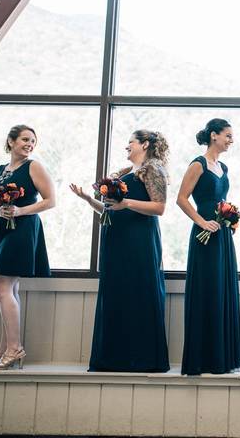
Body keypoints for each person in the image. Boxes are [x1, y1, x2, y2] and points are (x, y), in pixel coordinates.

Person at [70, 130, 170, 372]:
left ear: (144, 144)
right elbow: (110, 211)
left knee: (138, 292)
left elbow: (160, 207)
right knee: (117, 294)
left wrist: (127, 203)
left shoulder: (153, 168)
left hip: (139, 242)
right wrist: (87, 199)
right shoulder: (126, 173)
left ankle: (142, 359)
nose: (127, 147)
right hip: (116, 241)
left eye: (131, 142)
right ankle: (114, 358)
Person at [0, 124, 55, 370]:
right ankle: (5, 348)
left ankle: (14, 348)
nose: (30, 144)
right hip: (1, 227)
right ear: (11, 141)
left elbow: (50, 201)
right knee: (6, 289)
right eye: (25, 139)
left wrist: (20, 210)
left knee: (3, 287)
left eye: (33, 141)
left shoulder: (34, 166)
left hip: (22, 228)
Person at [179, 118, 240, 375]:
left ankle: (222, 357)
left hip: (222, 232)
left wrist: (230, 218)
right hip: (205, 230)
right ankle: (203, 358)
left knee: (221, 287)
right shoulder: (198, 164)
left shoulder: (223, 167)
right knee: (207, 287)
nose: (231, 140)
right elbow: (181, 199)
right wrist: (202, 222)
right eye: (227, 135)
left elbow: (222, 198)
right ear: (214, 135)